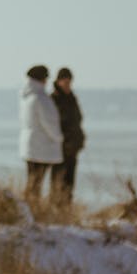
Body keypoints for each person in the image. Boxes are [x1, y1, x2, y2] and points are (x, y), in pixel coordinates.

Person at [19, 65, 63, 202]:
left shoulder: (26, 97)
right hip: (42, 147)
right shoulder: (40, 98)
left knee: (32, 182)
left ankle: (30, 209)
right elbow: (49, 123)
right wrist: (59, 138)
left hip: (30, 145)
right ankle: (33, 209)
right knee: (36, 183)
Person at [50, 67, 85, 204]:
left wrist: (79, 139)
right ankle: (55, 209)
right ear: (58, 81)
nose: (67, 85)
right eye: (65, 82)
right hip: (60, 147)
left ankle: (66, 209)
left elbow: (78, 119)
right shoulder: (53, 99)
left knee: (70, 183)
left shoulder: (72, 98)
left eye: (69, 82)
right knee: (58, 181)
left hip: (73, 147)